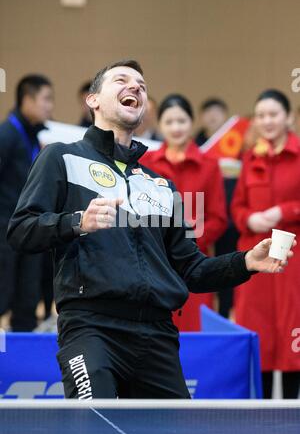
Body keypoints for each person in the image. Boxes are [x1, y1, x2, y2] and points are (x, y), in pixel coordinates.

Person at [7, 60, 294, 399]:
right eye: (122, 80)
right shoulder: (61, 158)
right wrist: (76, 222)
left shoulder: (162, 187)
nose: (136, 88)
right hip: (91, 328)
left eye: (141, 85)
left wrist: (246, 261)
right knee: (95, 429)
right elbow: (21, 230)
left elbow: (192, 268)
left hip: (157, 335)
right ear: (93, 100)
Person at [231, 89, 300, 398]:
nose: (267, 121)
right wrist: (249, 219)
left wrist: (284, 211)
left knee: (291, 333)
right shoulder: (250, 157)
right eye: (260, 116)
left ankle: (290, 410)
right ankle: (257, 417)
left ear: (288, 118)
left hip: (293, 261)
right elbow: (237, 207)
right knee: (258, 331)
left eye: (273, 114)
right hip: (256, 259)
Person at [140, 94, 227, 330]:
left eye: (182, 121)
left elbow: (218, 218)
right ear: (159, 125)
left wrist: (186, 241)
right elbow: (139, 213)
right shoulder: (146, 163)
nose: (176, 128)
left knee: (195, 331)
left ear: (191, 122)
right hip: (156, 262)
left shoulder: (209, 165)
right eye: (169, 122)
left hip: (195, 262)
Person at [0, 74, 54, 331]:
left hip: (27, 233)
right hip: (4, 235)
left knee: (27, 299)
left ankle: (22, 358)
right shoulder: (6, 135)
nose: (50, 106)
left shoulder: (34, 138)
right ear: (27, 100)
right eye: (46, 99)